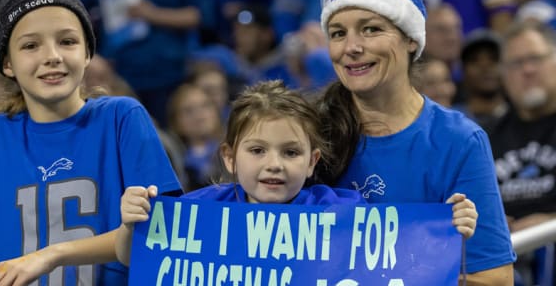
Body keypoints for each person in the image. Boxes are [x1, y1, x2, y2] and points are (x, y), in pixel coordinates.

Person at [0, 0, 181, 285]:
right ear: (7, 64)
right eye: (31, 46)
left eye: (67, 41)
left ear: (87, 54)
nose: (52, 56)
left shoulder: (122, 117)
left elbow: (165, 232)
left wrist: (52, 254)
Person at [115, 79, 478, 266]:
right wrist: (131, 226)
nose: (274, 163)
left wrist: (448, 230)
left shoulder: (339, 211)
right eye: (257, 150)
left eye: (290, 152)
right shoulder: (199, 211)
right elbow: (136, 257)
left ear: (311, 161)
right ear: (229, 157)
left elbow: (398, 256)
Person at [317, 0, 515, 284]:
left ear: (411, 38)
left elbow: (496, 278)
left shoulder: (458, 141)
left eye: (370, 29)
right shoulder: (308, 131)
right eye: (337, 33)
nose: (351, 47)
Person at [489, 22, 556, 286]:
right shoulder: (483, 137)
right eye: (516, 64)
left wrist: (548, 224)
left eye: (535, 59)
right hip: (506, 263)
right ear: (504, 75)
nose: (527, 70)